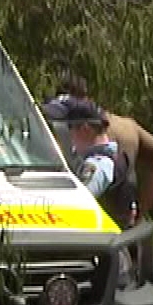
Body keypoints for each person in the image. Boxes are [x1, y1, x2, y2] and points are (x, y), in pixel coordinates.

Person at [55, 76, 153, 222]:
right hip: (126, 222)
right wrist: (140, 210)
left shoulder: (63, 130)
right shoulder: (127, 126)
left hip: (86, 225)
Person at [39, 94, 137, 227]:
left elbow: (75, 205)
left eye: (68, 127)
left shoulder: (99, 165)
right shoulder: (113, 157)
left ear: (85, 129)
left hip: (99, 237)